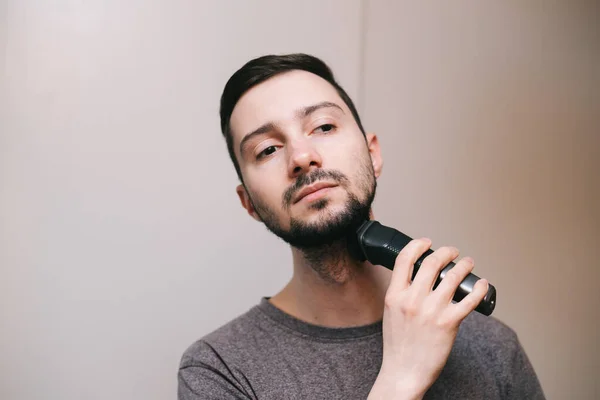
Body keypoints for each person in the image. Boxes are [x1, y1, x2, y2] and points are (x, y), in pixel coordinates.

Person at [178, 53, 545, 399]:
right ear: (249, 204)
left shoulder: (492, 347)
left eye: (323, 126)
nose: (302, 157)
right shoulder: (219, 370)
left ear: (373, 155)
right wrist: (401, 380)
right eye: (267, 150)